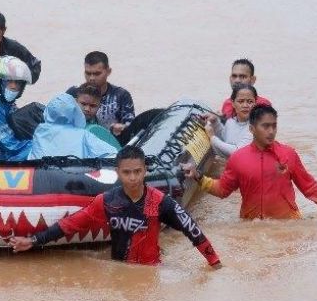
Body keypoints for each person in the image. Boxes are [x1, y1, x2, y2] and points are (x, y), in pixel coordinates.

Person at [11, 146, 222, 267]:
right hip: (120, 269)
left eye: (137, 172)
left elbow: (193, 231)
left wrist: (215, 264)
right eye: (127, 172)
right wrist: (34, 240)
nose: (132, 178)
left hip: (151, 270)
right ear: (118, 172)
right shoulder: (107, 201)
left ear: (145, 171)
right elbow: (71, 224)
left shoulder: (161, 202)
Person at [182, 105, 317, 220]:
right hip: (251, 227)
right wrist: (198, 177)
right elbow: (223, 190)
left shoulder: (288, 154)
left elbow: (309, 186)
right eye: (265, 126)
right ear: (251, 129)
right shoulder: (237, 159)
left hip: (289, 226)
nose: (271, 131)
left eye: (274, 126)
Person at [28, 93, 119, 159]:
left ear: (48, 111)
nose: (87, 109)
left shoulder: (39, 132)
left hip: (42, 180)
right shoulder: (82, 134)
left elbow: (32, 159)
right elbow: (112, 154)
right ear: (75, 111)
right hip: (73, 180)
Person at [66, 51, 135, 137]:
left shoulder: (121, 95)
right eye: (88, 73)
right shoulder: (73, 93)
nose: (91, 78)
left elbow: (133, 129)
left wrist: (122, 128)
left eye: (97, 74)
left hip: (112, 146)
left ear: (108, 71)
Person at [207, 84, 256, 158]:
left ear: (255, 104)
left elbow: (237, 151)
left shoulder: (256, 127)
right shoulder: (231, 122)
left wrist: (212, 137)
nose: (245, 105)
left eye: (250, 102)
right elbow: (223, 139)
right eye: (241, 101)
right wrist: (215, 122)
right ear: (233, 103)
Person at [74, 83, 121, 149]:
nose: (87, 109)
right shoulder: (64, 122)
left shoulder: (100, 130)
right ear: (75, 102)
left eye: (93, 106)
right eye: (83, 104)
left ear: (99, 106)